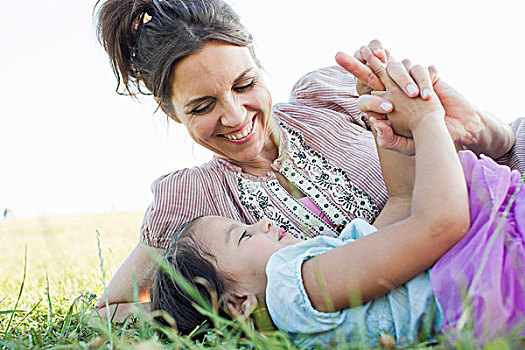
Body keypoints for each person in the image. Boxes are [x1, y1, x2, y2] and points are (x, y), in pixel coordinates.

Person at [93, 0, 520, 321]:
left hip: (494, 210)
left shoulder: (329, 96)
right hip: (468, 266)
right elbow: (107, 309)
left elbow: (481, 164)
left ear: (260, 64)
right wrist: (215, 315)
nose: (236, 117)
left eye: (245, 84)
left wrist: (475, 130)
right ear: (171, 110)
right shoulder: (191, 204)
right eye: (203, 106)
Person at [150, 51, 525, 347]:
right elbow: (440, 225)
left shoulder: (314, 272)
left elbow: (403, 200)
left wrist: (384, 114)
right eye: (245, 235)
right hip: (493, 268)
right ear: (239, 303)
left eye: (245, 83)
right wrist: (427, 120)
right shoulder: (290, 285)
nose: (263, 223)